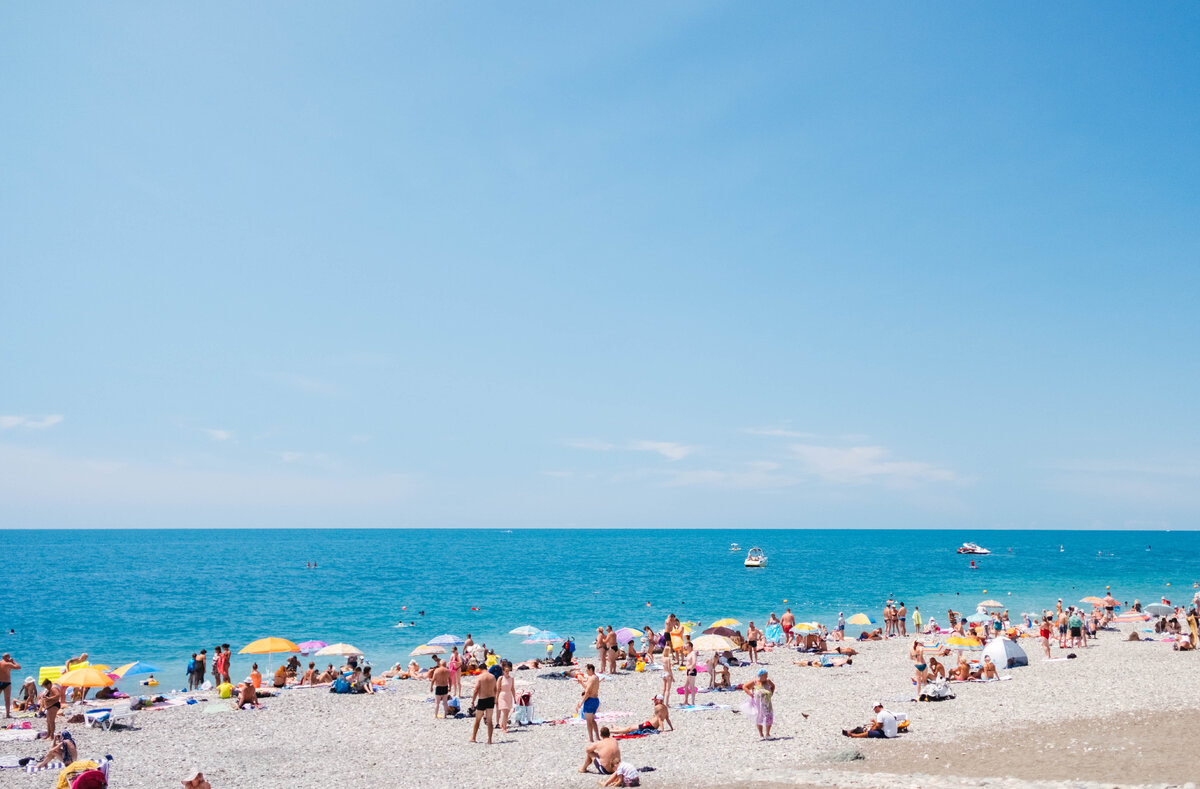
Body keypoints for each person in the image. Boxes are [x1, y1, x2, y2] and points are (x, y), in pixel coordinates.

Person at [744, 669, 775, 738]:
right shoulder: (755, 682)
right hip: (758, 704)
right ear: (761, 675)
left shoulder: (768, 681)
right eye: (765, 675)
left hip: (767, 702)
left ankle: (767, 733)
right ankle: (761, 734)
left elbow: (773, 686)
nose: (767, 676)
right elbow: (745, 686)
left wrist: (771, 693)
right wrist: (750, 694)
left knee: (769, 717)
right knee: (759, 717)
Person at [470, 666, 497, 744]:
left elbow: (476, 689)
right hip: (491, 699)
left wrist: (473, 701)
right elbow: (495, 689)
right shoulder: (492, 677)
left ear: (480, 669)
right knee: (490, 720)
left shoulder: (480, 677)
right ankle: (490, 740)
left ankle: (473, 737)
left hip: (482, 699)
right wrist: (495, 698)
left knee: (477, 720)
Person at [577, 663, 601, 742]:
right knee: (592, 720)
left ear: (591, 670)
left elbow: (587, 692)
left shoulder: (591, 679)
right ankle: (597, 737)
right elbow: (589, 688)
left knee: (588, 721)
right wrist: (581, 683)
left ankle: (591, 739)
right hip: (595, 700)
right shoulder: (596, 678)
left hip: (590, 700)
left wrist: (581, 702)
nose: (586, 672)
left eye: (587, 670)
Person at [495, 661, 516, 733]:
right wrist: (496, 698)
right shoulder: (500, 678)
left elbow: (512, 689)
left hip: (509, 695)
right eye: (506, 671)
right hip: (502, 696)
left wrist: (515, 698)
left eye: (508, 671)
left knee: (507, 711)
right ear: (503, 671)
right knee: (505, 711)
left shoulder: (511, 678)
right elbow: (498, 690)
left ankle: (502, 724)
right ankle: (504, 727)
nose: (507, 672)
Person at [0, 652, 20, 717]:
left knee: (7, 699)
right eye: (8, 657)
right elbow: (18, 667)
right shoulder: (8, 664)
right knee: (7, 699)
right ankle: (7, 714)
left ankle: (8, 714)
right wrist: (13, 661)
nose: (9, 658)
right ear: (6, 657)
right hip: (6, 683)